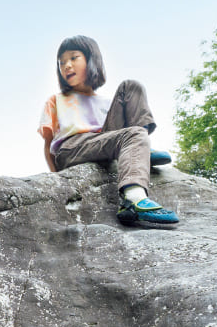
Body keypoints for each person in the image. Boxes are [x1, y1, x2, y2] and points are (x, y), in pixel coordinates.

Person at [37, 35, 179, 226]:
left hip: (102, 142)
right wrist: (57, 179)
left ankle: (139, 151)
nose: (66, 66)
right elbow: (48, 145)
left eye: (73, 58)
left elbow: (112, 134)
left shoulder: (106, 103)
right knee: (133, 134)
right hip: (72, 148)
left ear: (91, 60)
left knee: (131, 86)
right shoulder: (56, 100)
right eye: (61, 63)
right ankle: (134, 199)